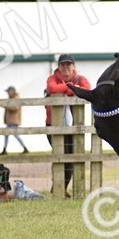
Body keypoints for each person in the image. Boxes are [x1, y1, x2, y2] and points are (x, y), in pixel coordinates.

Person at [45, 54, 91, 193]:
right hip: (53, 125)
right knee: (59, 157)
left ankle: (60, 189)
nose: (65, 68)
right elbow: (52, 89)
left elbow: (87, 90)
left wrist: (65, 88)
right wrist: (71, 88)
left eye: (68, 65)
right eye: (63, 65)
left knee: (71, 158)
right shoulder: (52, 78)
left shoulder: (81, 79)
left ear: (73, 66)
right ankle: (58, 188)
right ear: (58, 67)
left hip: (74, 126)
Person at [0, 86, 29, 154]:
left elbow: (15, 108)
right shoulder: (12, 98)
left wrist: (6, 106)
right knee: (7, 134)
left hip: (13, 120)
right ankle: (5, 149)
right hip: (11, 120)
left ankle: (24, 148)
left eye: (8, 92)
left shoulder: (16, 98)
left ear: (12, 91)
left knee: (15, 135)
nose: (7, 93)